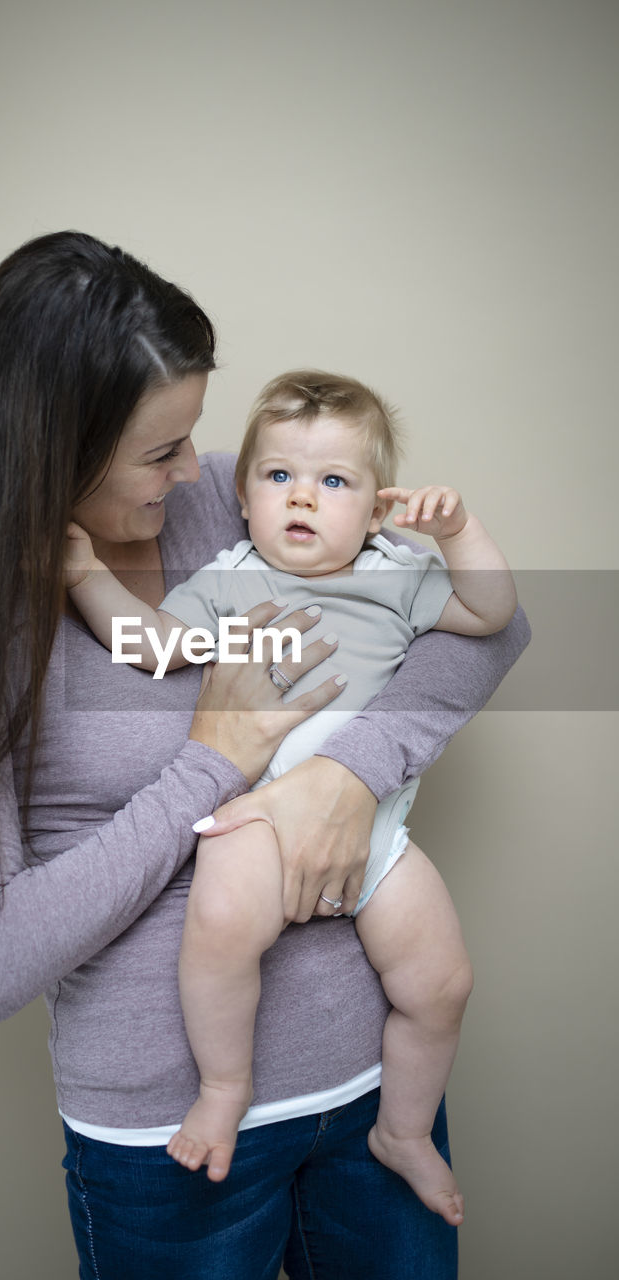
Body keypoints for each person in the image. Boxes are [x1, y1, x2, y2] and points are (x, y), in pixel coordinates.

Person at [0, 232, 530, 1280]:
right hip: (173, 1149)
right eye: (158, 452)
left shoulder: (242, 502)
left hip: (369, 1093)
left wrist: (353, 768)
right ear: (51, 449)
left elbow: (496, 628)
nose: (189, 475)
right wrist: (208, 764)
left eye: (192, 438)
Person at [66, 370, 517, 1221]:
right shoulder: (229, 580)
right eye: (278, 478)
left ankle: (405, 1131)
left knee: (442, 983)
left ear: (377, 513)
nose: (301, 497)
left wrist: (460, 534)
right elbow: (153, 644)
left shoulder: (398, 576)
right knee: (217, 933)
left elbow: (492, 613)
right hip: (258, 814)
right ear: (242, 499)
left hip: (378, 829)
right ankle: (223, 1086)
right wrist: (87, 575)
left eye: (333, 482)